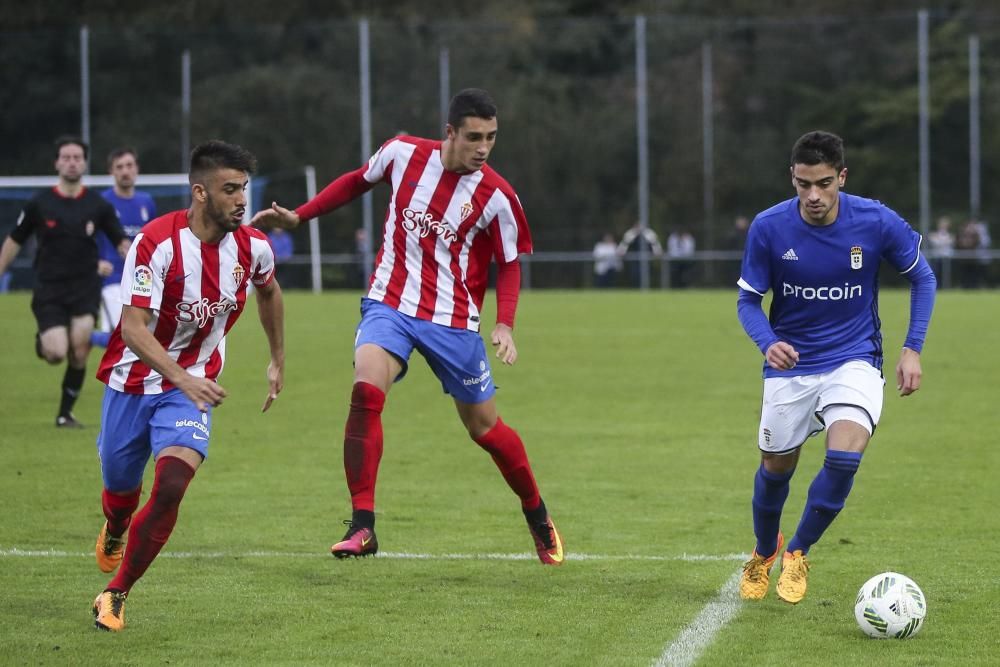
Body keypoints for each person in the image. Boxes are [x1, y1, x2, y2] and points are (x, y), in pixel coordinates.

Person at [252, 88, 564, 566]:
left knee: (485, 429)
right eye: (475, 136)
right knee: (366, 391)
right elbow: (358, 181)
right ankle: (363, 525)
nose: (484, 147)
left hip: (454, 321)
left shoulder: (498, 196)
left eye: (492, 138)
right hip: (389, 303)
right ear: (451, 133)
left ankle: (536, 512)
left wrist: (505, 323)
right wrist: (301, 215)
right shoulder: (401, 154)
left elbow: (510, 262)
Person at [90, 140, 285, 632]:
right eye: (230, 189)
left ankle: (115, 594)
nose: (242, 199)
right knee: (120, 491)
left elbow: (269, 292)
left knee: (174, 484)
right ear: (200, 193)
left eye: (243, 188)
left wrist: (277, 358)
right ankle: (115, 526)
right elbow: (133, 327)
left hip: (188, 389)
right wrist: (180, 375)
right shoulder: (155, 243)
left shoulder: (253, 247)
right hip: (132, 383)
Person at [736, 131, 935, 604]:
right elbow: (748, 300)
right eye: (803, 184)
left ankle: (798, 552)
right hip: (792, 366)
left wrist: (913, 348)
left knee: (845, 456)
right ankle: (766, 551)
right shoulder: (768, 227)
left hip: (855, 358)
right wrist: (768, 342)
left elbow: (922, 277)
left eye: (824, 183)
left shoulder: (875, 219)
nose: (813, 196)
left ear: (841, 177)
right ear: (792, 177)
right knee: (776, 469)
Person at [0, 136, 128, 427]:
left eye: (77, 157)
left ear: (84, 163)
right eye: (66, 157)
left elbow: (121, 242)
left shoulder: (98, 205)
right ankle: (44, 342)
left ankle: (64, 414)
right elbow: (14, 240)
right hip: (50, 289)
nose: (71, 162)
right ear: (57, 162)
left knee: (81, 348)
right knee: (57, 353)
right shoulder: (39, 203)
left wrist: (142, 264)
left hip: (85, 287)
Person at [92, 147, 157, 348]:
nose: (125, 171)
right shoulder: (101, 202)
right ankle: (83, 333)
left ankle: (85, 334)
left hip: (143, 281)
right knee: (126, 339)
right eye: (119, 167)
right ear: (111, 172)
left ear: (137, 169)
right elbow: (84, 238)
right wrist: (95, 262)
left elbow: (155, 241)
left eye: (129, 165)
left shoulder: (146, 202)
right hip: (113, 280)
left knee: (136, 342)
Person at [617, 222, 663, 287]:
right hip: (634, 259)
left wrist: (657, 252)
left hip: (647, 259)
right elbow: (624, 244)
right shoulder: (630, 233)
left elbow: (655, 244)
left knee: (646, 274)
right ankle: (635, 288)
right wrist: (621, 251)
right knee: (634, 275)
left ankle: (646, 287)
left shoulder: (650, 233)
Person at [926, 215, 954, 287]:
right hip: (936, 257)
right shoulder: (933, 234)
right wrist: (943, 242)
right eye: (942, 224)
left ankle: (945, 287)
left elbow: (948, 242)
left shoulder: (950, 235)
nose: (943, 225)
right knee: (935, 273)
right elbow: (934, 242)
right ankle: (936, 287)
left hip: (946, 258)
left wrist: (940, 241)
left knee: (946, 274)